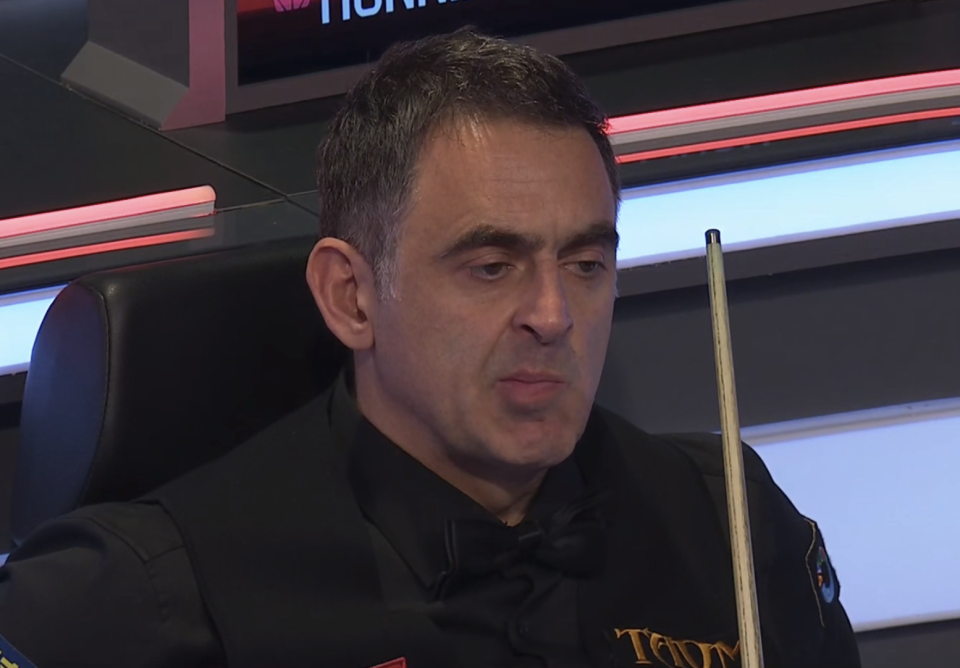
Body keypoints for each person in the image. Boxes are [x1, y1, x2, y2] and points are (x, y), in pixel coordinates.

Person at [0, 28, 859, 668]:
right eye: (491, 267)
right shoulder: (144, 596)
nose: (553, 315)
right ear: (351, 296)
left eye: (585, 263)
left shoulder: (730, 521)